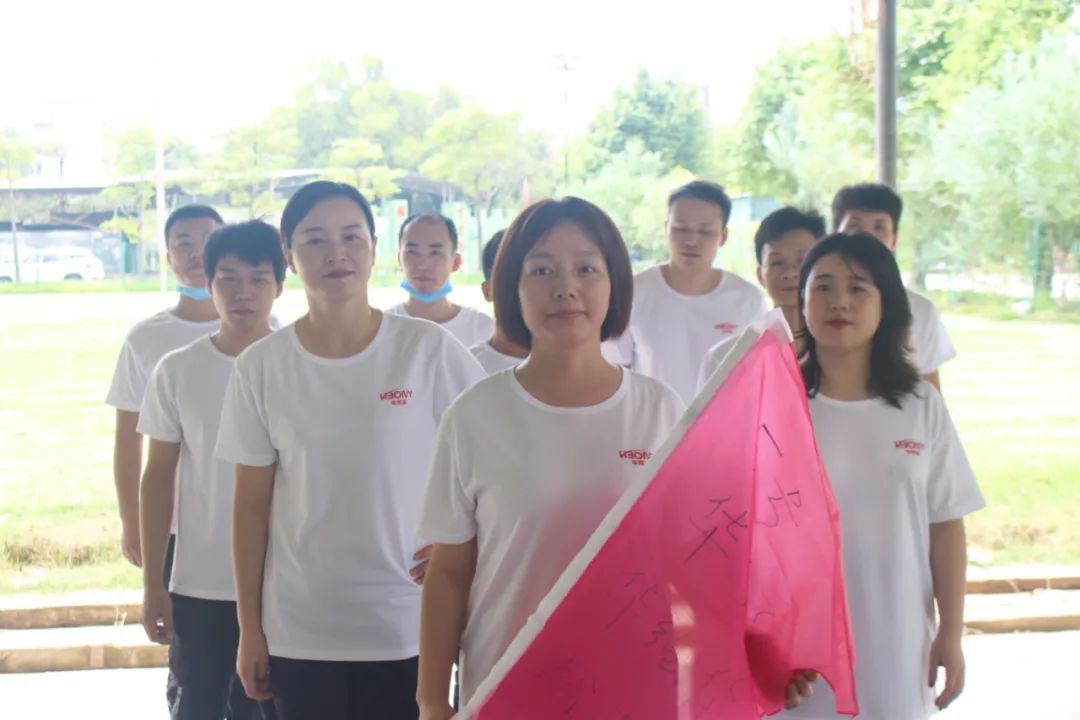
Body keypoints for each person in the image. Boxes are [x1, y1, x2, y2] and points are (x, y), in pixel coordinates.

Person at [416, 197, 818, 719]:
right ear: (511, 287)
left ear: (614, 285)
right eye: (542, 270)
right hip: (507, 684)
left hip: (633, 680)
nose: (566, 287)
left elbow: (699, 561)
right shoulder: (474, 415)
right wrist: (432, 702)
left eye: (587, 268)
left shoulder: (659, 409)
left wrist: (758, 647)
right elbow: (448, 573)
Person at [216, 181, 484, 720]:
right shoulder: (261, 367)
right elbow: (249, 508)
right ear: (290, 255)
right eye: (315, 240)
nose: (335, 253)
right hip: (300, 629)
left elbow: (493, 458)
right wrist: (250, 629)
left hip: (407, 624)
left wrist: (463, 546)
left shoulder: (426, 350)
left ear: (374, 248)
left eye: (351, 237)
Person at [784, 233, 984, 720]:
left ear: (886, 304)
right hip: (798, 656)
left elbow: (946, 525)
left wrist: (950, 634)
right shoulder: (777, 401)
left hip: (899, 643)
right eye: (823, 286)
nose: (839, 302)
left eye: (858, 288)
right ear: (802, 301)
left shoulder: (920, 405)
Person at [139, 220, 283, 720]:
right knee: (198, 706)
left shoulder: (298, 364)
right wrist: (153, 582)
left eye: (259, 279)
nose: (244, 293)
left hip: (286, 582)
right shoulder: (178, 370)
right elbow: (158, 476)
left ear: (280, 285)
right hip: (201, 584)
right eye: (229, 278)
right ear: (208, 282)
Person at [106, 203, 223, 710]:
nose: (196, 254)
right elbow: (128, 439)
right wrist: (133, 523)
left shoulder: (271, 329)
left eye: (207, 242)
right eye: (183, 244)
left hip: (257, 523)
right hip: (178, 529)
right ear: (168, 256)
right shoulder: (148, 338)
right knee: (192, 664)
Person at [612, 180, 768, 403]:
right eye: (681, 229)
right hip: (652, 420)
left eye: (705, 231)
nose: (692, 240)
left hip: (723, 422)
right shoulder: (633, 293)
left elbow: (757, 378)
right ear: (666, 228)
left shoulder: (747, 300)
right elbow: (616, 371)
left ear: (723, 236)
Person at [831, 183, 955, 390]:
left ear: (893, 241)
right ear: (834, 234)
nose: (867, 237)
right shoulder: (816, 304)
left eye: (879, 227)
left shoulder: (920, 310)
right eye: (854, 226)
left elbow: (930, 388)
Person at [698, 206, 824, 387]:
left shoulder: (846, 355)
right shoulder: (726, 359)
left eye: (802, 261)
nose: (790, 273)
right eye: (777, 263)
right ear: (760, 276)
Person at [386, 213, 494, 348]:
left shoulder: (482, 328)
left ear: (456, 262)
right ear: (399, 260)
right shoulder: (384, 328)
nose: (423, 265)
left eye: (435, 253)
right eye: (412, 252)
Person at [468, 229, 528, 374]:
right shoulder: (466, 366)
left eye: (540, 273)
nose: (522, 292)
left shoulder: (572, 365)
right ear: (487, 291)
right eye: (509, 281)